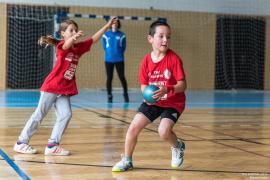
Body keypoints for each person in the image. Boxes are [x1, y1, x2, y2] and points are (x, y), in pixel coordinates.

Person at [13, 17, 118, 156]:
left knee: (66, 114)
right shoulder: (61, 46)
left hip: (64, 90)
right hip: (52, 86)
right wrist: (73, 37)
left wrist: (107, 25)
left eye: (75, 29)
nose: (74, 32)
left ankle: (52, 145)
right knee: (39, 114)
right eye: (70, 30)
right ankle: (21, 142)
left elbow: (93, 39)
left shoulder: (78, 49)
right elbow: (66, 45)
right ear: (63, 33)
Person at [112, 20, 187, 171]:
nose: (165, 40)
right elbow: (144, 84)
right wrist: (148, 95)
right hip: (152, 102)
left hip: (173, 102)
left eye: (168, 37)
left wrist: (167, 89)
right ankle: (127, 160)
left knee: (163, 131)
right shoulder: (146, 60)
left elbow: (183, 85)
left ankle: (178, 146)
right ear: (150, 39)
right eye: (161, 36)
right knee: (133, 128)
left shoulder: (174, 59)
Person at [102, 19, 129, 103]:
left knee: (122, 77)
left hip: (119, 59)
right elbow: (104, 47)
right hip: (108, 60)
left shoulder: (122, 35)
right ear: (110, 24)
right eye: (113, 23)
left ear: (118, 24)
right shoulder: (105, 35)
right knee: (109, 78)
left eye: (116, 23)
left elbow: (123, 47)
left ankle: (125, 94)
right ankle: (109, 95)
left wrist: (118, 53)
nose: (114, 24)